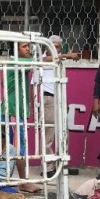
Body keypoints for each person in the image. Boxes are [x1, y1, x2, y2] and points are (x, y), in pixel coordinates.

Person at [34, 35, 79, 176]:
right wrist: (36, 105)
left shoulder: (59, 61)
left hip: (60, 99)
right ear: (46, 47)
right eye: (52, 46)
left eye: (58, 47)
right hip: (48, 99)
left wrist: (65, 101)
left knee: (64, 134)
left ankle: (62, 166)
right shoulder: (41, 60)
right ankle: (47, 168)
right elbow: (33, 86)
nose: (55, 50)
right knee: (48, 136)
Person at [3, 41, 40, 193]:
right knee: (18, 148)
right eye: (24, 47)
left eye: (28, 47)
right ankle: (23, 181)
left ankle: (8, 179)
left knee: (10, 147)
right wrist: (63, 56)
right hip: (13, 111)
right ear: (16, 49)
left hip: (14, 110)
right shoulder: (15, 62)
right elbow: (40, 62)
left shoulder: (16, 63)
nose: (28, 49)